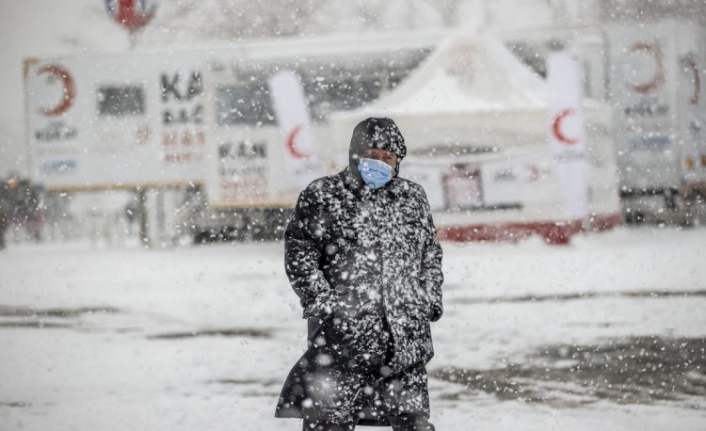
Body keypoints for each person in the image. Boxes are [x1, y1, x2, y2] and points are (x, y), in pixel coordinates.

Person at [275, 117, 443, 430]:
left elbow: (429, 253)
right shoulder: (323, 195)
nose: (381, 163)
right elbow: (300, 253)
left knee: (414, 424)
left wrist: (429, 298)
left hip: (403, 341)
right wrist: (323, 302)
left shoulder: (412, 198)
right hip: (342, 342)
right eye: (373, 156)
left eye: (388, 157)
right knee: (329, 423)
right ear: (356, 156)